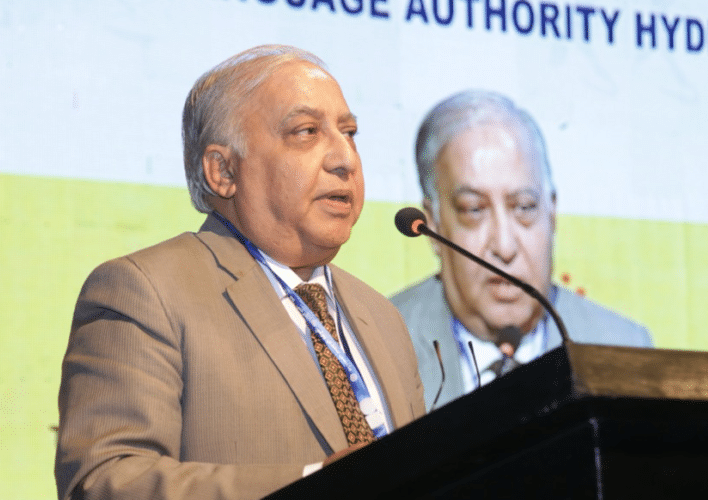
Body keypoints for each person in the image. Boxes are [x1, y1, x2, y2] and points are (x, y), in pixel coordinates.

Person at [55, 45, 425, 500]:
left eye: (349, 133)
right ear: (223, 171)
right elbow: (105, 483)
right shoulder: (146, 292)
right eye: (306, 132)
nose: (344, 158)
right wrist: (317, 483)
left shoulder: (382, 316)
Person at [390, 90, 652, 410]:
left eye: (525, 207)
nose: (505, 247)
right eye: (474, 210)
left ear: (552, 213)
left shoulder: (622, 347)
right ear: (433, 223)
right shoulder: (380, 351)